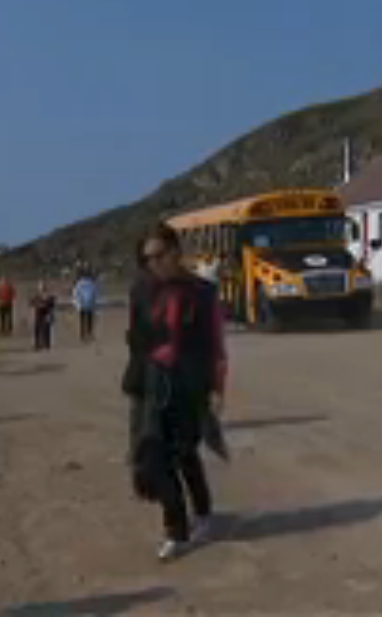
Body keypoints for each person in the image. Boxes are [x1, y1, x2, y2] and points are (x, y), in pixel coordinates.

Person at [129, 223, 228, 562]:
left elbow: (216, 344)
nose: (152, 264)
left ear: (175, 253)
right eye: (147, 259)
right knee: (154, 456)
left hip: (190, 385)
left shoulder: (202, 292)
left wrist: (217, 389)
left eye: (158, 256)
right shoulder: (143, 290)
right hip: (154, 383)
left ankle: (202, 513)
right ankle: (177, 529)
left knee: (184, 453)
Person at [73, 269, 100, 342]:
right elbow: (76, 294)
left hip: (88, 304)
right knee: (85, 320)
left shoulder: (90, 283)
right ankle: (84, 334)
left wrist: (95, 303)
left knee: (87, 320)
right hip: (84, 304)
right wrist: (77, 303)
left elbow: (95, 294)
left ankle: (87, 334)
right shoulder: (82, 284)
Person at [30, 281, 57, 350]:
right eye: (40, 286)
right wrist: (36, 304)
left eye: (43, 286)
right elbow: (31, 302)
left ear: (45, 287)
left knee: (46, 329)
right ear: (38, 288)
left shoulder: (49, 295)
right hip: (38, 313)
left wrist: (50, 311)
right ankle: (37, 344)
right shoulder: (36, 295)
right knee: (37, 329)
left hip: (46, 313)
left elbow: (52, 304)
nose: (41, 288)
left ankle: (47, 344)